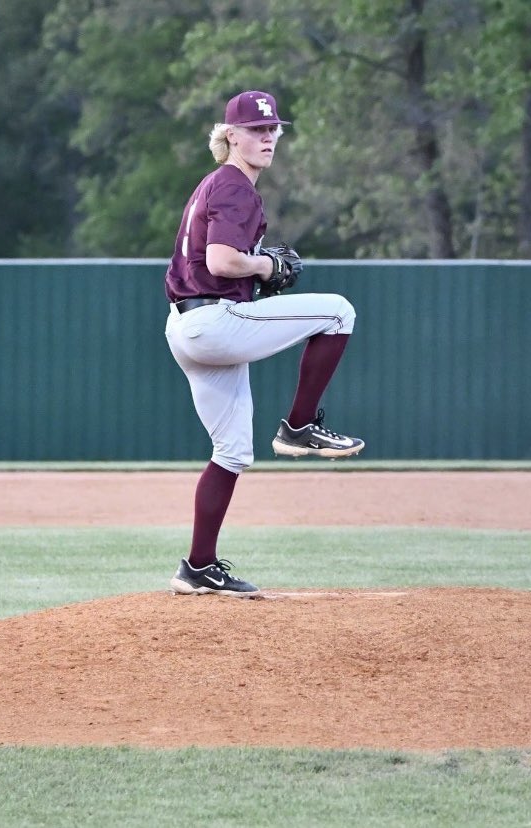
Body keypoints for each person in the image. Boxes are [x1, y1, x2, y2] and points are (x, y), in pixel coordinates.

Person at [163, 90, 364, 598]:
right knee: (339, 311)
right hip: (214, 319)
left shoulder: (215, 184)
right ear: (230, 136)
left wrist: (254, 273)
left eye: (274, 128)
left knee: (231, 452)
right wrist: (266, 266)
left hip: (187, 327)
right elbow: (223, 262)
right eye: (257, 129)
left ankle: (198, 568)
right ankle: (299, 427)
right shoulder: (234, 185)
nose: (269, 136)